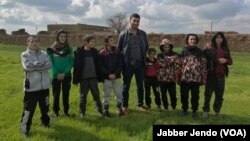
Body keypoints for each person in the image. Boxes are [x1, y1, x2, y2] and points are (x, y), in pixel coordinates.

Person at [118, 13, 149, 115]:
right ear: (130, 21)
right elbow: (119, 50)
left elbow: (146, 48)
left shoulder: (143, 34)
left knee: (140, 85)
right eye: (134, 20)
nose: (136, 23)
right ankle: (125, 106)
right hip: (128, 65)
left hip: (140, 65)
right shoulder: (123, 35)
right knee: (126, 86)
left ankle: (140, 105)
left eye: (138, 21)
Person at [20, 36, 51, 137]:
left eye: (37, 41)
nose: (34, 43)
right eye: (32, 41)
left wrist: (34, 65)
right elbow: (27, 67)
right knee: (28, 110)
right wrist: (41, 65)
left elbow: (49, 65)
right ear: (28, 43)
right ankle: (25, 129)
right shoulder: (24, 55)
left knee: (45, 108)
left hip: (44, 87)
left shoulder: (45, 54)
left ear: (39, 43)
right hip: (31, 88)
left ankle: (45, 123)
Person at [202, 32, 233, 119]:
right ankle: (205, 111)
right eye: (217, 37)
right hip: (211, 75)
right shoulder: (210, 48)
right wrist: (204, 49)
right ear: (214, 39)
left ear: (223, 39)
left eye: (221, 38)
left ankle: (217, 111)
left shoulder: (225, 50)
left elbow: (231, 61)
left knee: (219, 96)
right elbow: (202, 56)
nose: (219, 39)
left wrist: (225, 61)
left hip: (221, 76)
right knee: (208, 94)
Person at [73, 34, 103, 117]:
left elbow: (98, 65)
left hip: (93, 78)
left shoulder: (94, 52)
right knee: (83, 97)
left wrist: (100, 77)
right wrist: (75, 80)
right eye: (92, 41)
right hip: (83, 79)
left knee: (96, 96)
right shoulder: (79, 52)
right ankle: (82, 112)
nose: (94, 43)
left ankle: (100, 111)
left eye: (94, 41)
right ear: (86, 42)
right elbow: (76, 67)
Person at [178, 34, 207, 119]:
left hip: (196, 79)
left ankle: (194, 111)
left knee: (195, 96)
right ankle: (184, 110)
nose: (193, 41)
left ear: (196, 41)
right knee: (184, 96)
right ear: (188, 40)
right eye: (191, 39)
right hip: (184, 79)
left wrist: (203, 77)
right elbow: (179, 64)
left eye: (194, 39)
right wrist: (178, 76)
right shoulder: (183, 51)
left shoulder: (200, 52)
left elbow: (204, 65)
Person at [47, 29, 74, 117]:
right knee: (56, 94)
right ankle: (56, 112)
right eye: (61, 36)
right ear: (57, 37)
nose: (63, 38)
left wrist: (64, 73)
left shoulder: (69, 49)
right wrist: (57, 73)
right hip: (55, 76)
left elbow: (71, 62)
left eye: (64, 36)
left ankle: (66, 111)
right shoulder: (51, 49)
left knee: (66, 94)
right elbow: (50, 62)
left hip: (66, 75)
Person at [99, 35, 124, 117]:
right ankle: (106, 110)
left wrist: (115, 74)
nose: (113, 41)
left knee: (118, 93)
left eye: (113, 40)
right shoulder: (102, 53)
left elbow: (120, 64)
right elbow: (101, 66)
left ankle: (120, 109)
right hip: (107, 78)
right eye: (111, 40)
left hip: (116, 77)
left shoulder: (117, 51)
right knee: (106, 94)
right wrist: (108, 74)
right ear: (106, 42)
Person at [157, 39, 178, 111]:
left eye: (168, 46)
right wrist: (170, 60)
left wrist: (166, 60)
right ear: (162, 47)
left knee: (173, 94)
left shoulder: (175, 53)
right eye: (165, 47)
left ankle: (174, 107)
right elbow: (160, 63)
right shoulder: (159, 55)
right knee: (163, 94)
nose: (167, 48)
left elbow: (175, 60)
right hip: (162, 79)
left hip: (172, 78)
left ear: (170, 47)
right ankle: (165, 107)